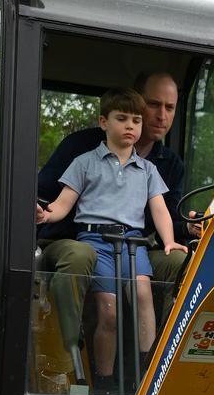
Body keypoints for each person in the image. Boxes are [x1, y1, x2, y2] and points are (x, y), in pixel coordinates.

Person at [36, 72, 200, 369]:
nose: (161, 115)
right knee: (86, 268)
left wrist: (182, 231)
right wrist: (43, 213)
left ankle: (154, 371)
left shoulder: (159, 167)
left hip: (133, 243)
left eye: (170, 107)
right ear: (105, 121)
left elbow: (164, 212)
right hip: (81, 240)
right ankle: (68, 363)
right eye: (153, 104)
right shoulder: (82, 153)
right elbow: (51, 198)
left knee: (174, 266)